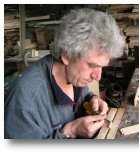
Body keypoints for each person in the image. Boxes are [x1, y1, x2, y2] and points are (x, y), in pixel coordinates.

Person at [4, 8, 125, 139]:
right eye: (92, 66)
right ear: (66, 56)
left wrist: (92, 99)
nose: (98, 76)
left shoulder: (73, 75)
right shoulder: (24, 103)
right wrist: (71, 131)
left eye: (102, 67)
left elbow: (82, 94)